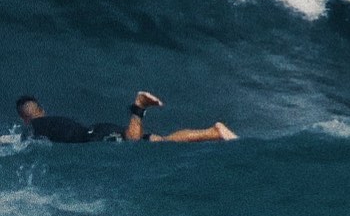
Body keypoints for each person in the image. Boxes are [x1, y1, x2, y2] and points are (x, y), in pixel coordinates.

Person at [15, 91, 237, 143]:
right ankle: (214, 131)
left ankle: (138, 106)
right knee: (158, 141)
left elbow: (19, 143)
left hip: (94, 138)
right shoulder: (50, 120)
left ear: (24, 118)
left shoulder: (33, 128)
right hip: (96, 130)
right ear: (41, 109)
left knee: (133, 141)